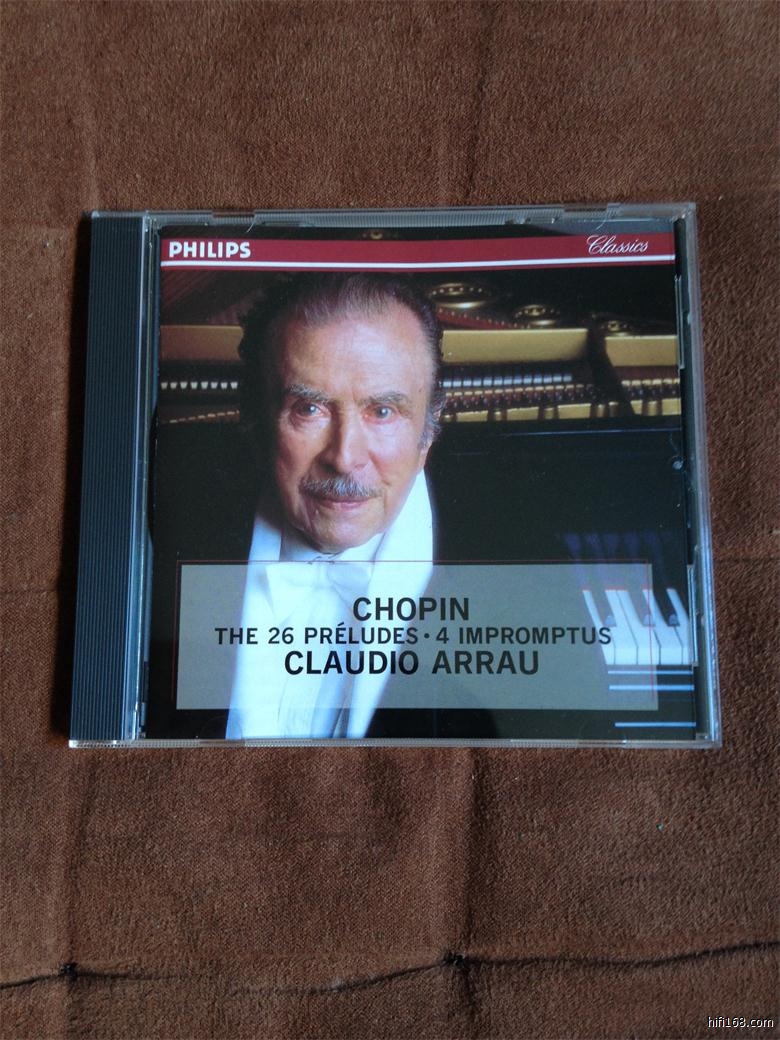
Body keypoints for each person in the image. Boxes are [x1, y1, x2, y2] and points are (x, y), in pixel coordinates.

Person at [222, 274, 445, 739]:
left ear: (428, 432)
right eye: (309, 409)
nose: (344, 458)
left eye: (382, 412)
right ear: (256, 420)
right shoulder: (166, 534)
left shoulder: (524, 571)